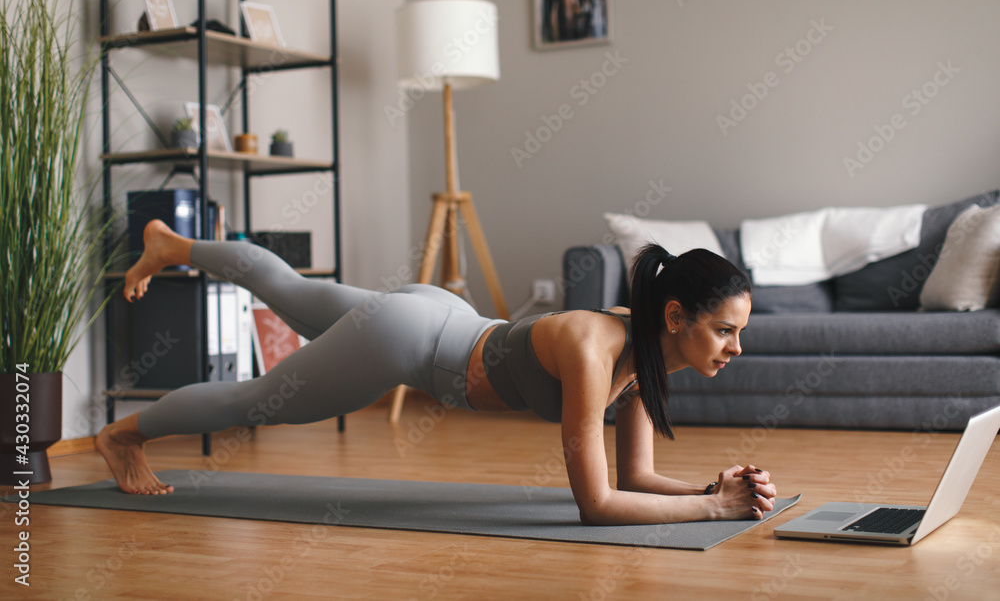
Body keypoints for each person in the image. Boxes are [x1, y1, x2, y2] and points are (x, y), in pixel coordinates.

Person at [97, 220, 777, 526]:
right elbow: (596, 505)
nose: (736, 347)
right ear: (677, 314)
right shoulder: (592, 349)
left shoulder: (644, 356)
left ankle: (173, 244)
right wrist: (713, 508)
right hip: (408, 343)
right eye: (726, 330)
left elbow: (634, 480)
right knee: (261, 399)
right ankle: (126, 434)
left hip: (439, 315)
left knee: (296, 293)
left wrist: (709, 486)